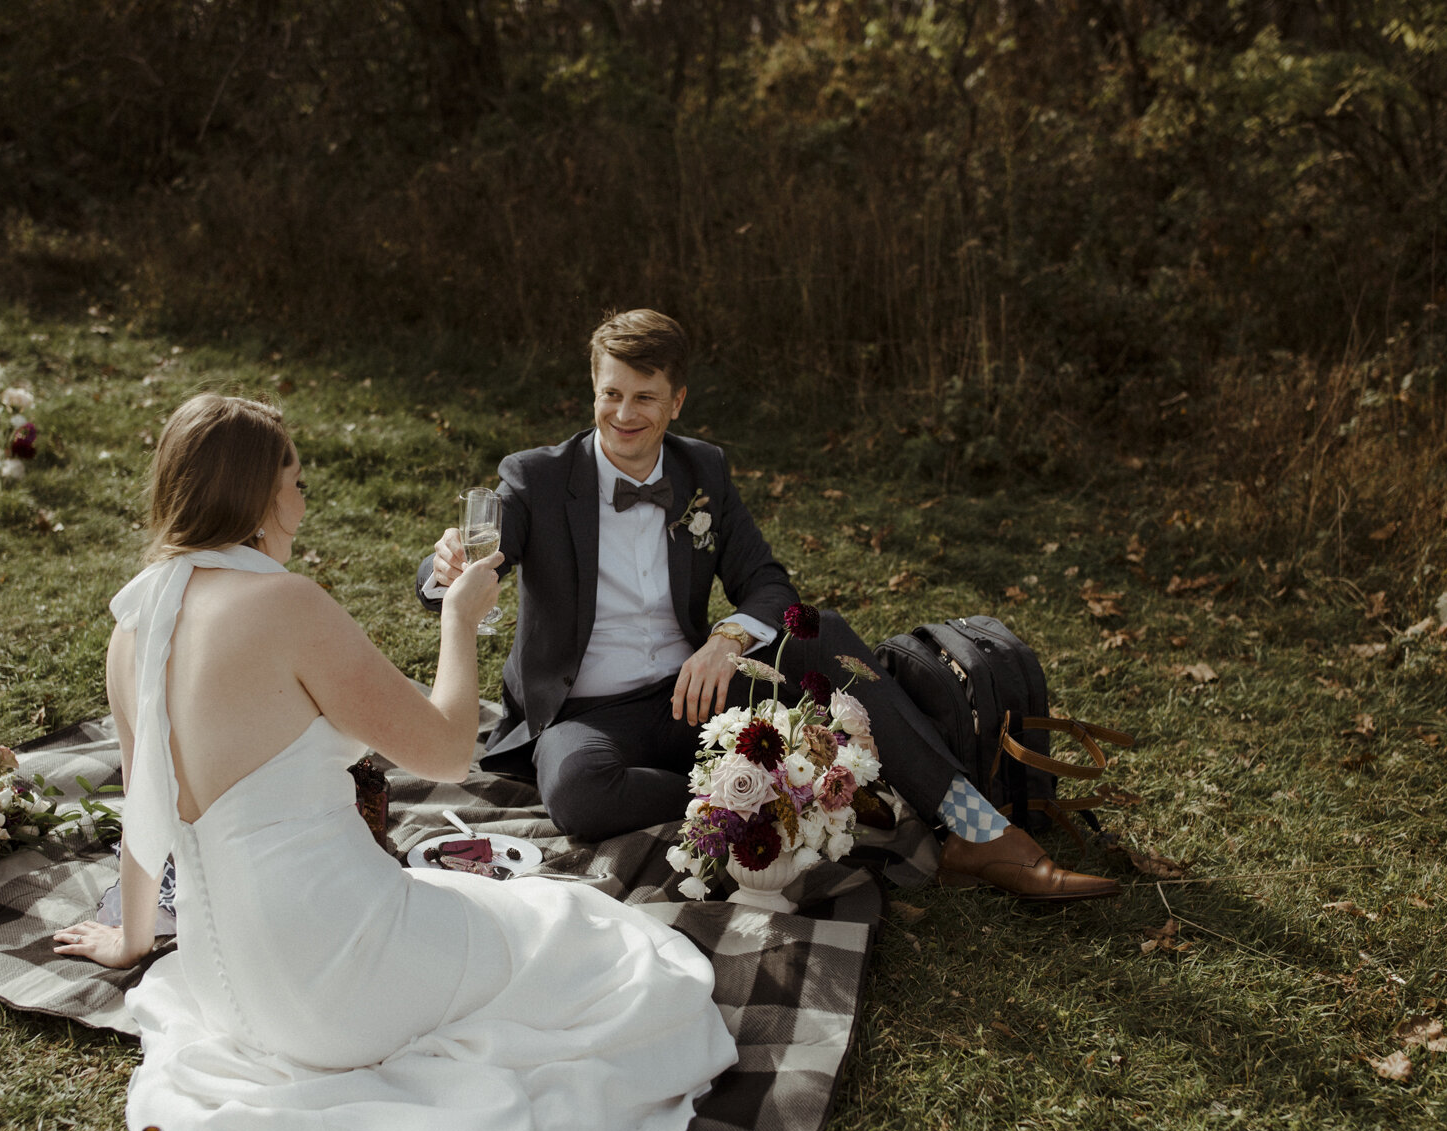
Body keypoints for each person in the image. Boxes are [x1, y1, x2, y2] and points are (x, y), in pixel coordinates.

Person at [54, 394, 736, 1131]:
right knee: (590, 935)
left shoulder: (129, 627)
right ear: (260, 498)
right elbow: (451, 751)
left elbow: (146, 819)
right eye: (296, 482)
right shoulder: (284, 604)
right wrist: (461, 619)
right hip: (344, 965)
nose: (303, 501)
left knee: (500, 929)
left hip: (223, 985)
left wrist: (135, 940)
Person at [417, 310, 1117, 902]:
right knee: (575, 793)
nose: (623, 415)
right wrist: (442, 571)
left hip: (696, 694)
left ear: (678, 400)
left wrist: (724, 641)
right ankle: (775, 793)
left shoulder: (703, 472)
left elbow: (769, 584)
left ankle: (983, 832)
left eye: (644, 398)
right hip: (588, 718)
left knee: (821, 631)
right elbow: (461, 565)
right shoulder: (536, 478)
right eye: (610, 394)